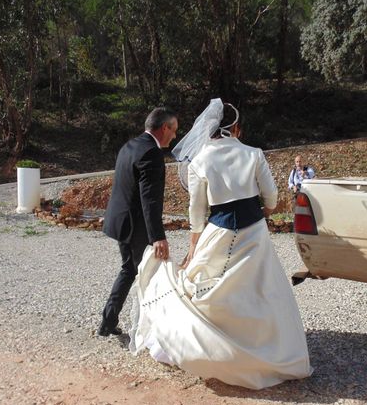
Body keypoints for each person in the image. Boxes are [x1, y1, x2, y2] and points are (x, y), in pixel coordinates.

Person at [129, 99, 312, 389]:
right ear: (236, 128)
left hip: (218, 231)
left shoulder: (199, 160)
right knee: (261, 291)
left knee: (207, 289)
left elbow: (197, 213)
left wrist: (193, 249)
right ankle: (265, 349)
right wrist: (261, 213)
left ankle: (208, 349)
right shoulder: (254, 154)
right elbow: (272, 198)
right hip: (254, 233)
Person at [98, 107, 178, 337]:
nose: (174, 137)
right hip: (135, 226)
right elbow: (149, 200)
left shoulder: (129, 145)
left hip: (120, 220)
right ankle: (154, 330)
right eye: (174, 131)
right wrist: (158, 237)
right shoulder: (152, 153)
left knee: (129, 270)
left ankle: (108, 322)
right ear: (165, 128)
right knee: (144, 272)